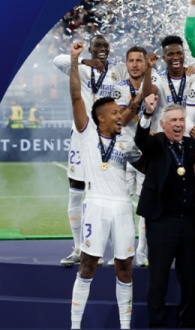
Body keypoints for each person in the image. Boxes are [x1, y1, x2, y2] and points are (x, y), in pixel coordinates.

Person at [68, 41, 134, 330]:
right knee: (88, 264)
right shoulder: (86, 133)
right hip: (95, 205)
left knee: (125, 267)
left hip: (123, 207)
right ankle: (75, 326)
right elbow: (75, 97)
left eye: (121, 112)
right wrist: (74, 60)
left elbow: (145, 165)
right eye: (115, 112)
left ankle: (125, 326)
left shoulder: (126, 141)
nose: (120, 116)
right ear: (101, 117)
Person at [53, 35, 128, 267]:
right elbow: (57, 60)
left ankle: (110, 250)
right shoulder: (82, 69)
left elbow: (140, 71)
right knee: (76, 190)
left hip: (108, 137)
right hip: (82, 135)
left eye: (105, 45)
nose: (102, 49)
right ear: (92, 49)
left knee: (109, 190)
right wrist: (83, 60)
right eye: (97, 46)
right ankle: (78, 248)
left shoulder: (118, 71)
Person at [136, 95, 195, 328]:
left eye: (181, 120)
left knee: (189, 277)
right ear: (163, 124)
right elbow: (140, 140)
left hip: (189, 222)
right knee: (158, 277)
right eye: (173, 120)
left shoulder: (192, 145)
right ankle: (157, 324)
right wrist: (147, 113)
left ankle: (188, 323)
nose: (178, 124)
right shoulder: (156, 143)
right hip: (161, 221)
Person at [113, 46, 157, 268]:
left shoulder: (156, 82)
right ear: (126, 63)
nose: (135, 65)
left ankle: (141, 251)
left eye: (139, 60)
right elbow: (122, 119)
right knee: (122, 204)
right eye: (131, 60)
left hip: (146, 152)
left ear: (146, 62)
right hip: (123, 152)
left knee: (145, 205)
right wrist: (140, 97)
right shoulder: (120, 87)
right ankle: (124, 249)